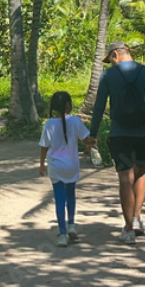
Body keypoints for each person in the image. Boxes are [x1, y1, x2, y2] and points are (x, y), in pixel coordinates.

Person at [88, 39, 145, 244]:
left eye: (110, 60)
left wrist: (93, 133)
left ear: (115, 55)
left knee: (125, 178)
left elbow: (99, 106)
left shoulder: (108, 75)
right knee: (141, 172)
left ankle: (128, 229)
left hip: (120, 134)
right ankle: (137, 218)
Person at [39, 91, 95, 247]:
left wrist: (42, 164)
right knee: (71, 195)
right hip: (72, 165)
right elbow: (87, 140)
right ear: (68, 105)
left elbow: (44, 146)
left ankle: (63, 234)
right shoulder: (76, 121)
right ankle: (71, 225)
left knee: (59, 199)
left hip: (56, 167)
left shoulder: (49, 124)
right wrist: (94, 142)